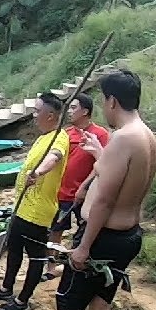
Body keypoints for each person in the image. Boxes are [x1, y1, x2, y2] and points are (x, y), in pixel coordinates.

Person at [22, 70, 156, 310]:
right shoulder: (147, 137)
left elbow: (106, 200)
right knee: (100, 304)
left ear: (112, 101)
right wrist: (94, 168)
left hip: (103, 237)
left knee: (67, 306)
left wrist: (83, 246)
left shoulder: (125, 138)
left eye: (104, 103)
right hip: (129, 235)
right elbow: (120, 179)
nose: (105, 110)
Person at [0, 93, 69, 310]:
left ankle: (22, 300)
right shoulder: (43, 136)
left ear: (51, 115)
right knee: (14, 249)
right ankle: (6, 288)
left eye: (37, 111)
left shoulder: (59, 137)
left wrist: (39, 172)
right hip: (22, 206)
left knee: (35, 256)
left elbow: (54, 158)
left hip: (37, 211)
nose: (34, 116)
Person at [43, 92, 111, 281]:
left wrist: (84, 187)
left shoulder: (100, 134)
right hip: (62, 193)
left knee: (84, 231)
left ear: (85, 111)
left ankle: (81, 266)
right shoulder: (65, 134)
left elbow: (101, 164)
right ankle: (51, 267)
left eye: (74, 108)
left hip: (86, 194)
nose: (70, 112)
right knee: (55, 230)